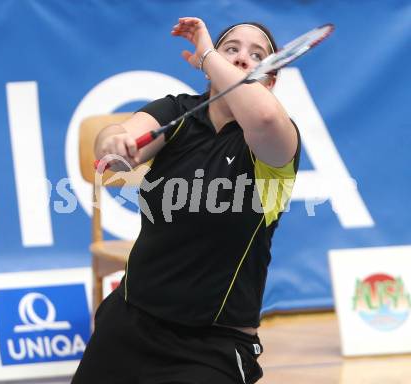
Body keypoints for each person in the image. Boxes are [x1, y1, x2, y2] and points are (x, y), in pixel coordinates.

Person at [72, 16, 300, 384]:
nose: (242, 58)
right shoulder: (176, 113)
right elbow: (119, 134)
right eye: (232, 49)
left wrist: (209, 52)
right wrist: (114, 141)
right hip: (132, 319)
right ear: (209, 72)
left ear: (270, 80)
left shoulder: (276, 143)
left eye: (257, 55)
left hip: (212, 347)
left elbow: (263, 114)